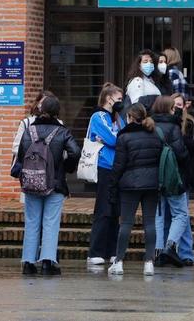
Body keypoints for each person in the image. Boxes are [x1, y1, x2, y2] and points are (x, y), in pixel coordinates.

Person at [19, 95, 81, 276]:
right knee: (51, 223)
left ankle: (28, 263)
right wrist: (67, 167)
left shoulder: (29, 130)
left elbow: (22, 153)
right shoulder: (62, 132)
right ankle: (47, 262)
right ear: (57, 112)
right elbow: (75, 152)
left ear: (40, 109)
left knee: (31, 222)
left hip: (31, 182)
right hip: (55, 183)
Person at [108, 103, 162, 276]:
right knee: (150, 223)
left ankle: (119, 261)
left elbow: (118, 165)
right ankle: (149, 262)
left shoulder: (124, 137)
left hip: (130, 184)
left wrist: (113, 184)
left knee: (126, 223)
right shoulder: (155, 134)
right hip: (152, 183)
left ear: (130, 117)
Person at [86, 84, 125, 266]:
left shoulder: (117, 118)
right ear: (109, 98)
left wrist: (115, 137)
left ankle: (111, 250)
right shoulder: (98, 116)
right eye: (118, 99)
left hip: (117, 167)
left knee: (115, 211)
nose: (121, 103)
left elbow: (124, 138)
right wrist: (114, 138)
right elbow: (114, 139)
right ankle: (96, 251)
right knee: (103, 209)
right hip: (104, 167)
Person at [151, 95, 188, 267]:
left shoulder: (149, 125)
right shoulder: (173, 127)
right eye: (173, 107)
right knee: (180, 213)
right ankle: (170, 246)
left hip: (154, 177)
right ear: (169, 108)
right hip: (172, 176)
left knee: (158, 216)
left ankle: (157, 253)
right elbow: (181, 153)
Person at [172, 93, 194, 265]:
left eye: (180, 105)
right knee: (169, 216)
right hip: (168, 175)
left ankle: (186, 252)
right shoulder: (165, 123)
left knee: (183, 215)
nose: (177, 108)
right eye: (174, 105)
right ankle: (170, 250)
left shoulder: (190, 124)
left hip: (183, 176)